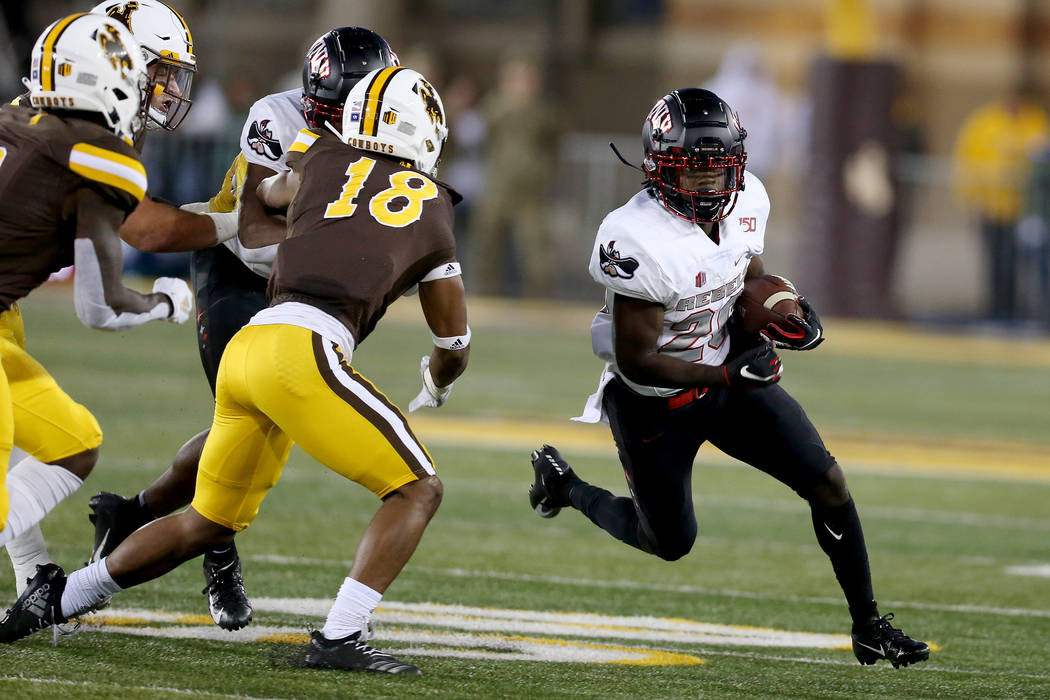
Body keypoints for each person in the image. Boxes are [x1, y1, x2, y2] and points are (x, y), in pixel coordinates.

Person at [1, 65, 467, 676]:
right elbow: (453, 338)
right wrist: (439, 377)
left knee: (207, 520)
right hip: (306, 350)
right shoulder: (433, 206)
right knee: (417, 488)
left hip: (251, 344)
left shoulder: (318, 156)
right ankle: (341, 634)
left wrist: (309, 210)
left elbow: (262, 201)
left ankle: (58, 599)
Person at [527, 88, 930, 669]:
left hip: (726, 375)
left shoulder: (749, 199)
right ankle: (566, 488)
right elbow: (637, 359)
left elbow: (748, 278)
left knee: (829, 484)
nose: (710, 186)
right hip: (655, 401)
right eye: (693, 174)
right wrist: (725, 373)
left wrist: (785, 309)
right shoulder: (633, 235)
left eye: (720, 171)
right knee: (668, 542)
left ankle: (868, 626)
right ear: (658, 168)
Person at [82, 26, 399, 632]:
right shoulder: (278, 116)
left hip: (306, 287)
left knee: (254, 425)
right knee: (246, 421)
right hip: (239, 268)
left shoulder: (392, 131)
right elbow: (253, 230)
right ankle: (217, 555)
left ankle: (132, 513)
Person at [1, 0, 221, 600]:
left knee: (71, 442)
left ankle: (34, 576)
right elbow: (105, 296)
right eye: (155, 71)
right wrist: (168, 300)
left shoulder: (24, 115)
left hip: (3, 311)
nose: (169, 89)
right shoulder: (96, 150)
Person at [951, 82, 1049, 322]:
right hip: (992, 207)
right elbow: (968, 159)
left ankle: (1020, 312)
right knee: (995, 262)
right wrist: (971, 198)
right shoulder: (985, 122)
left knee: (1024, 265)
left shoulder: (1036, 122)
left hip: (1024, 210)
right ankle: (997, 309)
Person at [470, 56, 559, 298]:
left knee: (535, 248)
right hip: (498, 185)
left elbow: (554, 138)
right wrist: (510, 104)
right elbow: (484, 129)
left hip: (530, 190)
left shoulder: (542, 109)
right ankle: (483, 294)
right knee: (487, 240)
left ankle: (538, 297)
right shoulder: (495, 105)